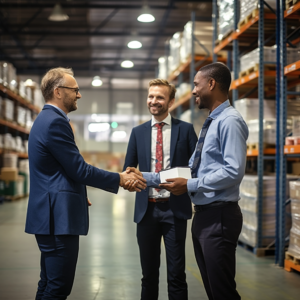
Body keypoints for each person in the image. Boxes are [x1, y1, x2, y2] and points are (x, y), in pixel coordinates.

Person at [25, 67, 146, 300]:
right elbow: (79, 169)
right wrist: (119, 178)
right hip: (57, 219)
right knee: (58, 287)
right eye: (75, 90)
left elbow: (59, 170)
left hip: (51, 215)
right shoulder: (55, 123)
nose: (79, 95)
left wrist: (77, 193)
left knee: (49, 282)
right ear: (58, 92)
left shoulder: (47, 119)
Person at [158, 63, 249, 300]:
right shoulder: (211, 122)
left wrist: (189, 185)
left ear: (211, 84)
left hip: (219, 217)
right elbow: (192, 169)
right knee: (212, 288)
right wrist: (149, 178)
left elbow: (234, 170)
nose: (194, 91)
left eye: (197, 85)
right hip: (205, 215)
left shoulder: (229, 121)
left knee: (222, 291)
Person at [123, 78, 198, 300]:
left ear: (171, 102)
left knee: (176, 274)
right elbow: (128, 169)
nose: (153, 101)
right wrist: (133, 179)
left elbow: (196, 167)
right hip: (146, 211)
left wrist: (184, 183)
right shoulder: (138, 132)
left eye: (160, 97)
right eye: (151, 96)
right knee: (148, 275)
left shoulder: (185, 130)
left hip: (174, 210)